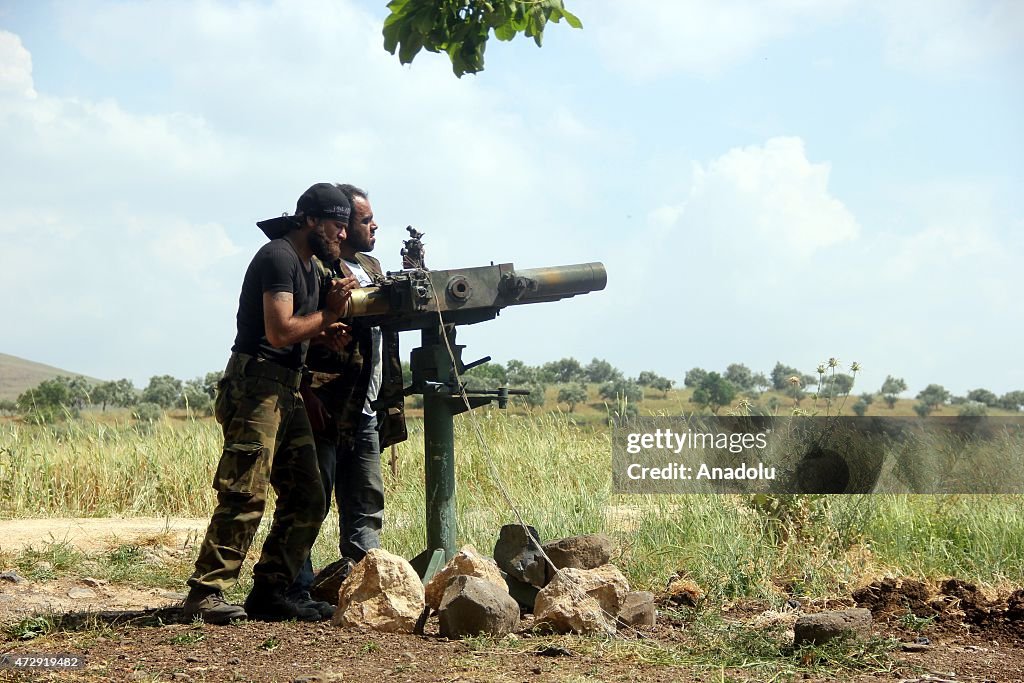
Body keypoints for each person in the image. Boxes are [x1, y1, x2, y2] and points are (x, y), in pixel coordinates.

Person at [182, 183, 357, 624]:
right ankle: (205, 594)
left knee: (308, 494)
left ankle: (272, 591)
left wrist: (321, 331)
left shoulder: (310, 265)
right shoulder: (279, 257)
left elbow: (296, 329)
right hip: (257, 387)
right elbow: (278, 332)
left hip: (286, 388)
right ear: (312, 221)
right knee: (245, 492)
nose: (341, 235)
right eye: (337, 225)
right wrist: (330, 315)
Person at [287, 184, 408, 606]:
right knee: (309, 502)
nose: (372, 226)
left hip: (366, 408)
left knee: (366, 504)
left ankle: (365, 592)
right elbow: (292, 332)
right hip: (325, 405)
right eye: (361, 220)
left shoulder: (372, 268)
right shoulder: (314, 267)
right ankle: (293, 589)